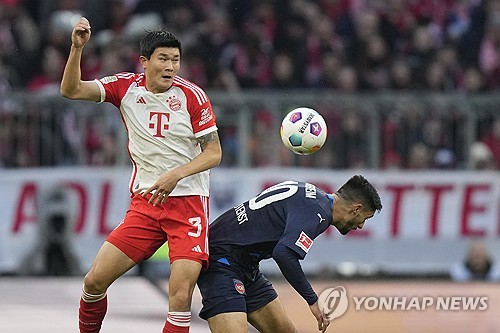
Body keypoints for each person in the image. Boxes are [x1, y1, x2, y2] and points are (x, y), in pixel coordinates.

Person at [60, 17, 222, 333]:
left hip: (188, 207)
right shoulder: (124, 87)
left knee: (179, 302)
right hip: (145, 205)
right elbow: (71, 90)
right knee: (94, 281)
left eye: (175, 60)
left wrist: (177, 175)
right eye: (163, 58)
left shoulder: (193, 96)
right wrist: (77, 48)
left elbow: (214, 153)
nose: (171, 66)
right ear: (144, 62)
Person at [197, 175, 382, 333]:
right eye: (364, 218)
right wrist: (312, 300)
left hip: (245, 265)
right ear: (356, 208)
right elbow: (284, 254)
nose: (360, 226)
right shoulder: (318, 214)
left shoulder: (312, 195)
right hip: (221, 261)